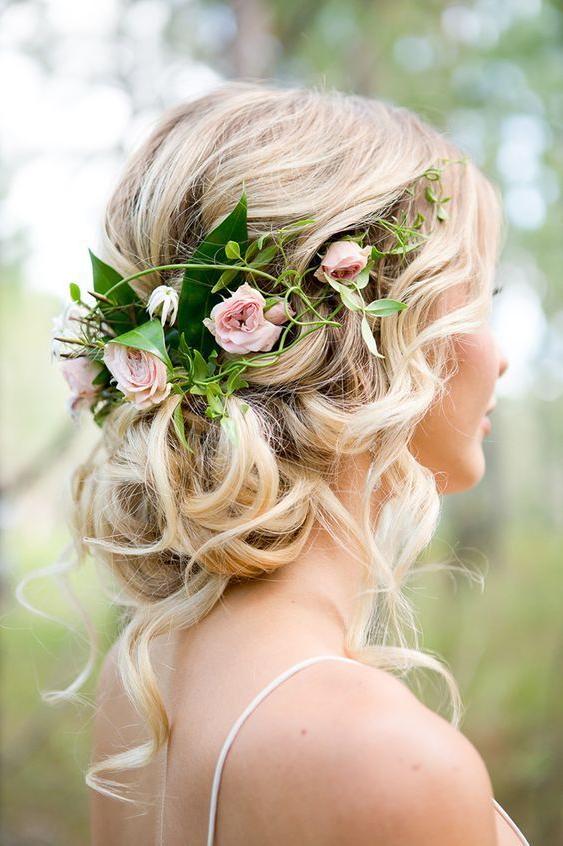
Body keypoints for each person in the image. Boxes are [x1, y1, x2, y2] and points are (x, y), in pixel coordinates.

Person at [57, 80, 529, 844]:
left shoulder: (144, 674)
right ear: (373, 333)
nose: (501, 359)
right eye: (483, 294)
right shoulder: (384, 764)